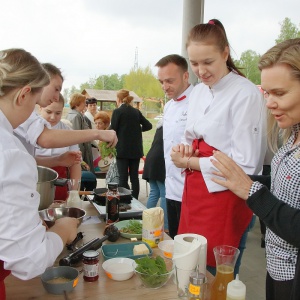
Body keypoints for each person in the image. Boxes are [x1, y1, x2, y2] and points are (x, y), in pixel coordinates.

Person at [170, 19, 267, 275]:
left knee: (215, 271)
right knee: (189, 260)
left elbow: (245, 163)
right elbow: (191, 136)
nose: (200, 71)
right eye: (194, 63)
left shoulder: (245, 93)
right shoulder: (200, 91)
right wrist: (184, 150)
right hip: (196, 188)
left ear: (225, 53)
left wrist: (190, 162)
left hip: (225, 194)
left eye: (207, 62)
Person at [211, 38, 300, 300]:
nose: (269, 103)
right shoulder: (292, 133)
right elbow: (288, 184)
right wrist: (241, 180)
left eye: (280, 93)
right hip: (277, 268)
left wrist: (252, 191)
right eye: (267, 93)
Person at [0, 48, 78, 299]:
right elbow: (29, 261)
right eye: (35, 105)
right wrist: (64, 230)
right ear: (23, 95)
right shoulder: (9, 153)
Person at [13, 63, 117, 166]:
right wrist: (98, 133)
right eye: (56, 89)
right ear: (41, 82)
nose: (57, 98)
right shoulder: (21, 110)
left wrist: (58, 160)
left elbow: (26, 159)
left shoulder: (29, 113)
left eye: (58, 112)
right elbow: (46, 139)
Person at [155, 54, 193, 239]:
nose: (164, 87)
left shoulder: (198, 102)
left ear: (185, 76)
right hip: (171, 187)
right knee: (176, 239)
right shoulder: (169, 106)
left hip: (191, 190)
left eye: (169, 81)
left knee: (190, 245)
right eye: (161, 81)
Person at [36, 94, 82, 201]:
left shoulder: (68, 132)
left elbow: (76, 163)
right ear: (40, 107)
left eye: (58, 113)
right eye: (48, 112)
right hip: (34, 181)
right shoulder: (29, 128)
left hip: (60, 183)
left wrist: (74, 192)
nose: (53, 117)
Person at [110, 89, 152, 199]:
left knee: (123, 178)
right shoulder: (136, 112)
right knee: (134, 177)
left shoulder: (117, 112)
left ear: (119, 99)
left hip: (122, 150)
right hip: (135, 150)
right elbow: (149, 126)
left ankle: (125, 199)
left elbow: (112, 130)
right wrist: (137, 130)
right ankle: (135, 199)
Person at [142, 119, 168, 231]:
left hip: (151, 159)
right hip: (160, 161)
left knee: (154, 192)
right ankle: (165, 226)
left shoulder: (160, 127)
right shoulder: (171, 126)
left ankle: (147, 222)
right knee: (164, 194)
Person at [66, 93, 95, 173]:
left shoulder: (76, 115)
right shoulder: (76, 116)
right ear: (78, 103)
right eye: (83, 102)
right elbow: (77, 139)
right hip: (81, 154)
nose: (85, 104)